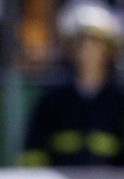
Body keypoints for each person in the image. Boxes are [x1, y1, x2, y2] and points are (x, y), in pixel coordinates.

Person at [22, 1, 124, 166]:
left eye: (94, 42)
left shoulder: (119, 104)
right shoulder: (51, 103)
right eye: (80, 42)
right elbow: (32, 155)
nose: (86, 50)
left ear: (108, 50)